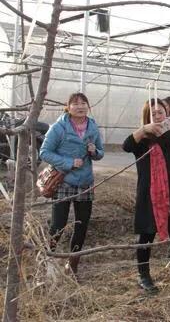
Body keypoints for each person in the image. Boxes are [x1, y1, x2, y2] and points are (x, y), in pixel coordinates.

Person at [123, 98, 170, 291]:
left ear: (167, 113)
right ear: (147, 116)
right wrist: (144, 130)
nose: (158, 115)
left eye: (161, 111)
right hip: (152, 195)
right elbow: (126, 146)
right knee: (147, 234)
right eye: (153, 113)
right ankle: (143, 275)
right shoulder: (144, 138)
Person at [40, 92, 104, 277]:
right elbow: (44, 152)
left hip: (85, 182)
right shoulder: (59, 127)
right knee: (58, 224)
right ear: (68, 107)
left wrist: (94, 151)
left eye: (84, 103)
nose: (80, 106)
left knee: (82, 224)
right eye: (75, 103)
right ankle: (47, 259)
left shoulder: (92, 126)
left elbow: (100, 153)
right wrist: (68, 162)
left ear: (88, 106)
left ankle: (73, 263)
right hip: (64, 181)